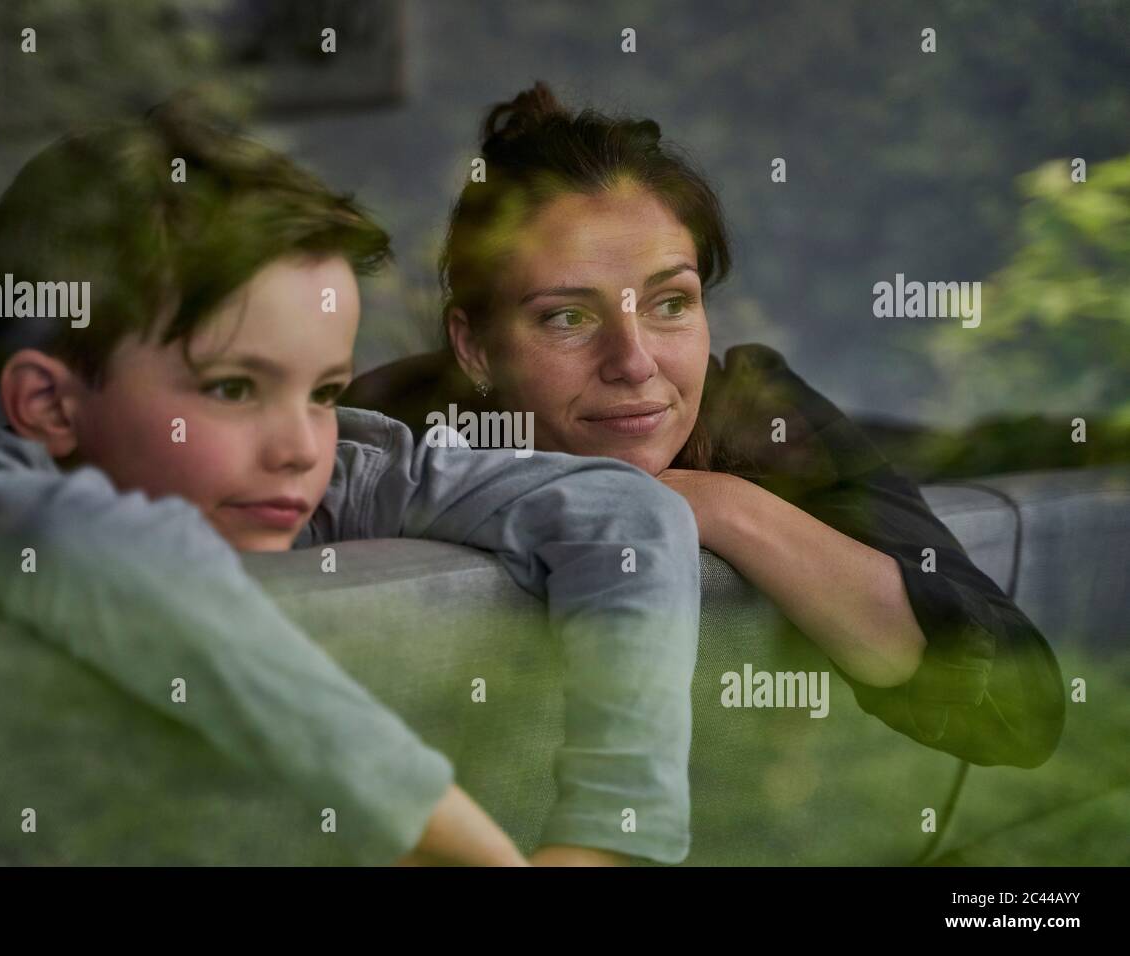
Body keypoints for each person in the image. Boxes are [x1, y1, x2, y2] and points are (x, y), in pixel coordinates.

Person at [0, 100, 703, 867]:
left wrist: (599, 841)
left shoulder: (335, 475)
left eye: (323, 391)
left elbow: (621, 512)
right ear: (48, 405)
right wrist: (433, 823)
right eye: (234, 389)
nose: (298, 446)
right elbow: (107, 551)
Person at [342, 82, 1065, 768]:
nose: (633, 361)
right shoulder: (383, 436)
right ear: (473, 347)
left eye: (670, 303)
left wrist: (724, 506)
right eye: (567, 316)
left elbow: (1017, 708)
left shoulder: (756, 417)